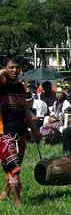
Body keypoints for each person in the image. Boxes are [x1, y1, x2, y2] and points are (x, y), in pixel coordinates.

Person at [0, 57, 41, 207]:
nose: (14, 70)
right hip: (4, 133)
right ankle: (18, 201)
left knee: (14, 166)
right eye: (11, 67)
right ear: (5, 68)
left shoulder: (21, 88)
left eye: (17, 68)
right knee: (14, 168)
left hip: (20, 132)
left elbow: (25, 111)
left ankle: (5, 192)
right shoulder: (2, 85)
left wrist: (35, 130)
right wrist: (3, 71)